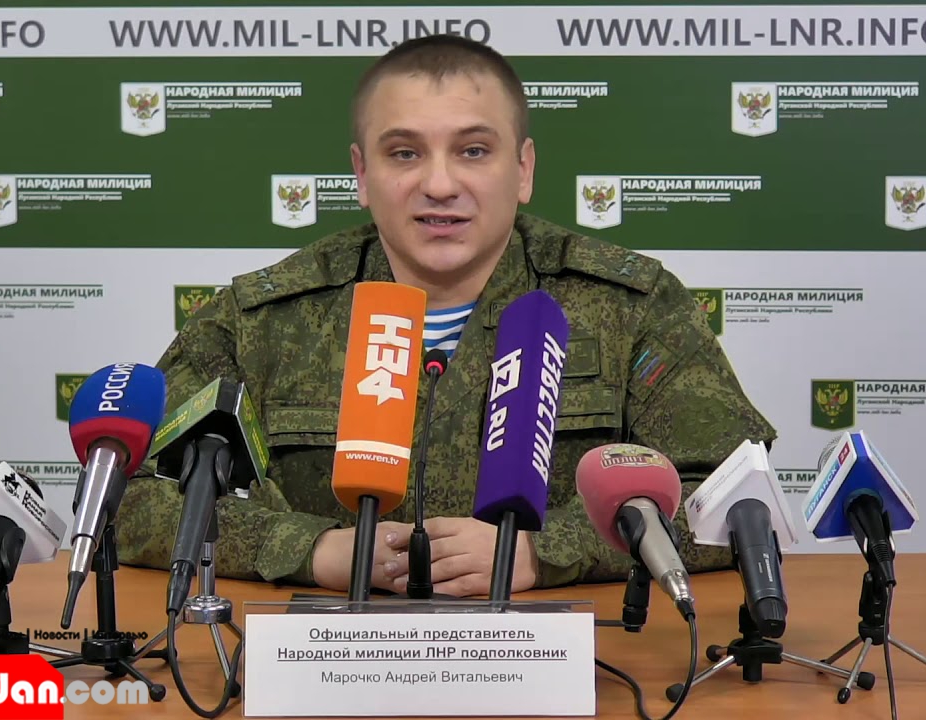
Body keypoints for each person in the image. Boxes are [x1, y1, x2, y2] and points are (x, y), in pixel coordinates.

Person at [114, 34, 777, 597]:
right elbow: (131, 495)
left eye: (473, 150)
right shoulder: (261, 320)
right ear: (361, 173)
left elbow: (737, 499)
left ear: (523, 169)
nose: (438, 185)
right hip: (324, 663)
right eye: (404, 153)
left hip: (570, 665)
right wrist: (308, 550)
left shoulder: (629, 306)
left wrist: (543, 552)